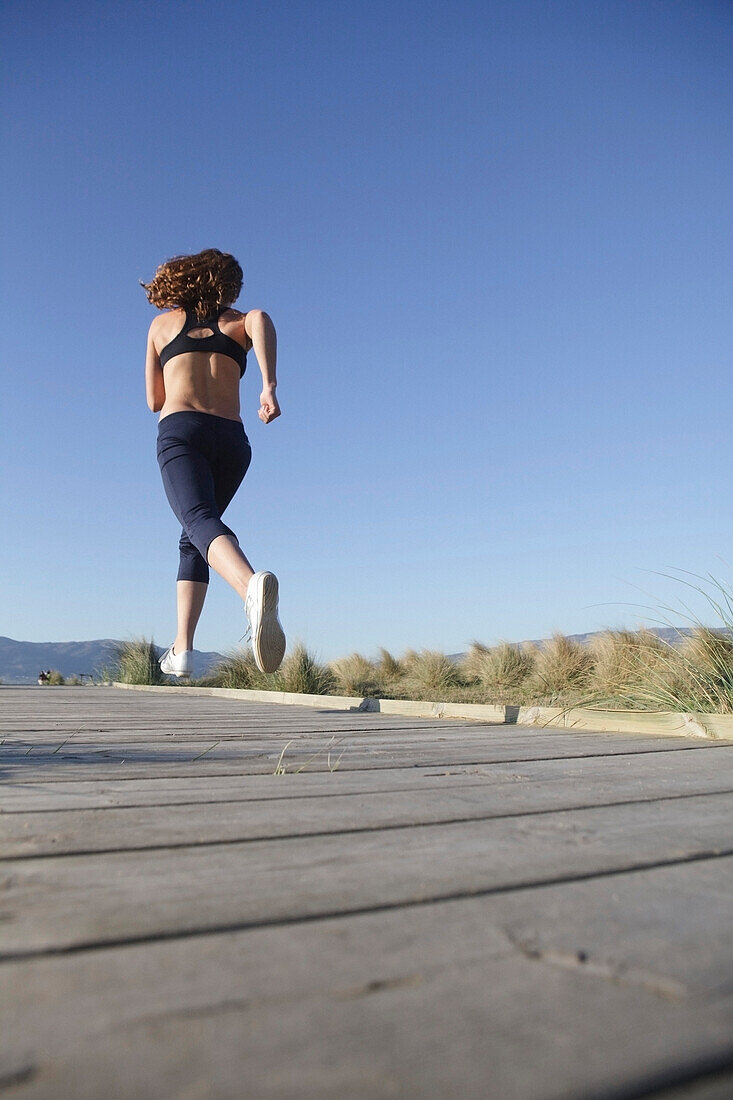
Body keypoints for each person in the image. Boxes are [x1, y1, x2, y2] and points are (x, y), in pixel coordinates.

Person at [141, 248, 285, 677]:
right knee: (196, 535)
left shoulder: (161, 325)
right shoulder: (240, 323)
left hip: (183, 431)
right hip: (232, 440)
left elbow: (154, 402)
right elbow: (260, 317)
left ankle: (250, 589)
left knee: (199, 519)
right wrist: (268, 386)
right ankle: (182, 649)